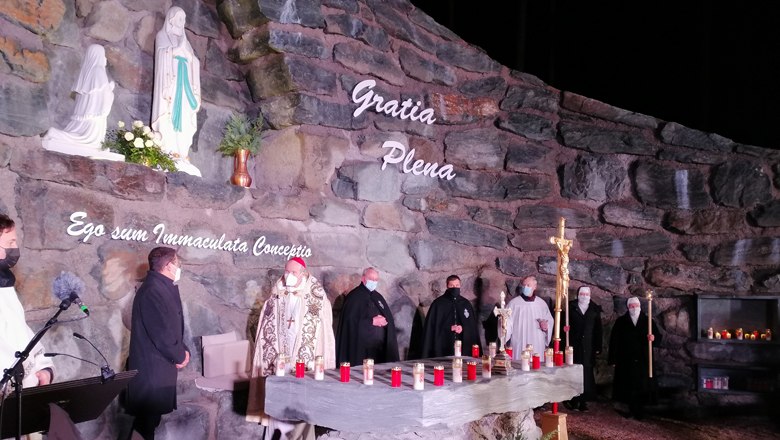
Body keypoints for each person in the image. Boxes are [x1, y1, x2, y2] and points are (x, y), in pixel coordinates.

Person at [247, 257, 335, 440]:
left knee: (302, 404)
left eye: (293, 273)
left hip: (305, 361)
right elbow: (265, 327)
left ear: (303, 273)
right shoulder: (276, 294)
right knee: (277, 402)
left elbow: (324, 334)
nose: (289, 276)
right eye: (286, 272)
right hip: (280, 359)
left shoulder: (317, 297)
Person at [125, 247, 190, 440]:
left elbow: (170, 327)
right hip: (151, 372)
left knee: (148, 423)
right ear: (169, 266)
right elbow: (162, 333)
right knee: (145, 426)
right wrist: (179, 355)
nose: (179, 266)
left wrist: (182, 350)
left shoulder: (159, 287)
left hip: (157, 370)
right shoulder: (153, 291)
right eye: (177, 262)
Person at [0, 214, 54, 391]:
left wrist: (44, 369)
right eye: (10, 243)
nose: (15, 248)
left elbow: (21, 334)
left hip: (23, 396)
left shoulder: (5, 285)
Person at [42, 44, 122, 161]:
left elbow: (92, 93)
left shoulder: (86, 72)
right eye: (103, 55)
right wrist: (110, 89)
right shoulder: (98, 71)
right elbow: (103, 93)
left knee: (83, 136)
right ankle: (55, 133)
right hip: (93, 116)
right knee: (89, 139)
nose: (104, 59)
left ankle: (56, 134)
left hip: (85, 116)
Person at [151, 6, 202, 176]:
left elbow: (194, 61)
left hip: (185, 85)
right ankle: (167, 150)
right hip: (171, 84)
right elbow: (162, 56)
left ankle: (181, 151)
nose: (183, 22)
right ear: (172, 19)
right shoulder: (162, 36)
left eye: (185, 19)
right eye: (180, 18)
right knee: (169, 116)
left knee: (186, 119)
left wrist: (188, 56)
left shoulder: (186, 42)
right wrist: (175, 51)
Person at [608, 296, 662, 420]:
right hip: (626, 359)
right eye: (631, 306)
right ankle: (630, 409)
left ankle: (640, 410)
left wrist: (653, 339)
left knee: (642, 385)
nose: (634, 308)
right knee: (627, 384)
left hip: (643, 359)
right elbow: (614, 341)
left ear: (640, 307)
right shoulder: (621, 321)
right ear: (628, 307)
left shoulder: (648, 321)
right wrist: (613, 359)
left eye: (636, 306)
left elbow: (658, 338)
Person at [336, 267, 399, 365]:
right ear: (363, 279)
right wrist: (371, 322)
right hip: (360, 350)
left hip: (379, 350)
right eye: (371, 279)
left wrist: (386, 322)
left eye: (376, 280)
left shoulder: (378, 297)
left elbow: (388, 318)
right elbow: (349, 322)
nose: (373, 282)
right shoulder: (354, 297)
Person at [421, 275, 481, 358]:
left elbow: (472, 327)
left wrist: (463, 328)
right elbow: (432, 328)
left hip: (463, 345)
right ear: (447, 286)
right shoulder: (438, 304)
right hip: (444, 345)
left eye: (457, 285)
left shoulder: (465, 303)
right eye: (452, 286)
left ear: (460, 286)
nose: (455, 288)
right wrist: (449, 328)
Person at [563, 286, 602, 411]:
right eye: (581, 293)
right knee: (573, 373)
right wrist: (564, 330)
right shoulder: (571, 307)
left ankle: (584, 401)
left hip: (588, 347)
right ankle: (573, 400)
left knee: (586, 374)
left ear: (589, 295)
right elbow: (563, 324)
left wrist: (597, 346)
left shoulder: (594, 309)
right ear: (578, 294)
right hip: (574, 346)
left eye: (586, 294)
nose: (584, 296)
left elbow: (598, 330)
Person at [505, 276, 553, 359]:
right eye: (524, 285)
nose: (525, 287)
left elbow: (549, 321)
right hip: (519, 341)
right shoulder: (513, 304)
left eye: (528, 285)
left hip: (537, 341)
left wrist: (546, 326)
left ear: (535, 287)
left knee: (536, 364)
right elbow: (507, 323)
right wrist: (504, 327)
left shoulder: (541, 304)